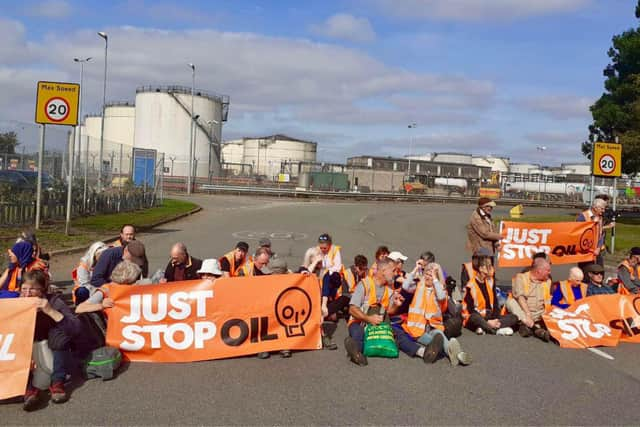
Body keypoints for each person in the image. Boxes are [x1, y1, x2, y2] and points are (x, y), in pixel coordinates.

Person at [21, 270, 82, 411]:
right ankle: (28, 390)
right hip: (29, 349)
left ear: (42, 290)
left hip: (52, 348)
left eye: (32, 289)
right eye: (24, 289)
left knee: (58, 335)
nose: (27, 293)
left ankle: (57, 382)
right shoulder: (17, 302)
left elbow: (76, 329)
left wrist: (50, 311)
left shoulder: (54, 301)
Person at [395, 263, 471, 366]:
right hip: (417, 329)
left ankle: (455, 355)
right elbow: (405, 286)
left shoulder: (441, 290)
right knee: (439, 342)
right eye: (426, 274)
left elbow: (440, 297)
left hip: (433, 327)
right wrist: (415, 270)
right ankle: (458, 354)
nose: (427, 277)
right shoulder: (418, 286)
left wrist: (435, 279)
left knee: (438, 336)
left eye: (430, 275)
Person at [344, 257, 403, 366]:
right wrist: (368, 319)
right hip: (360, 322)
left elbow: (389, 312)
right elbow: (352, 309)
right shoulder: (364, 285)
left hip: (378, 324)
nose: (396, 274)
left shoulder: (389, 290)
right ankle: (356, 353)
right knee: (358, 332)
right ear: (384, 271)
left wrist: (396, 304)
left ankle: (423, 352)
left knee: (400, 334)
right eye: (393, 270)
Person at [462, 256, 518, 335]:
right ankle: (495, 330)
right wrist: (487, 321)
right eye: (488, 267)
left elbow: (495, 303)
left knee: (514, 317)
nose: (490, 269)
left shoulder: (489, 283)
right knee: (474, 317)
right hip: (477, 317)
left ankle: (488, 327)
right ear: (481, 268)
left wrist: (495, 319)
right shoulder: (471, 285)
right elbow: (470, 309)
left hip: (490, 316)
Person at [75, 261, 142, 314]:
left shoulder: (132, 288)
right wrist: (102, 306)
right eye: (135, 280)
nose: (136, 283)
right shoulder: (106, 290)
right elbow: (80, 308)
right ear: (128, 279)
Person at [510, 258, 552, 341]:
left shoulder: (548, 281)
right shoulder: (521, 277)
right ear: (539, 271)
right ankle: (536, 329)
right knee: (510, 302)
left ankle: (526, 326)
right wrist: (528, 314)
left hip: (539, 313)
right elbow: (520, 297)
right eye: (548, 270)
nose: (549, 272)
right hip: (523, 312)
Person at [577, 197, 614, 268]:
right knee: (586, 273)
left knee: (599, 272)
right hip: (585, 252)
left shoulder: (599, 217)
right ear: (595, 208)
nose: (603, 211)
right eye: (602, 208)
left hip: (597, 251)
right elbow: (578, 234)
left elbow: (601, 233)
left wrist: (598, 247)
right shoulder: (583, 217)